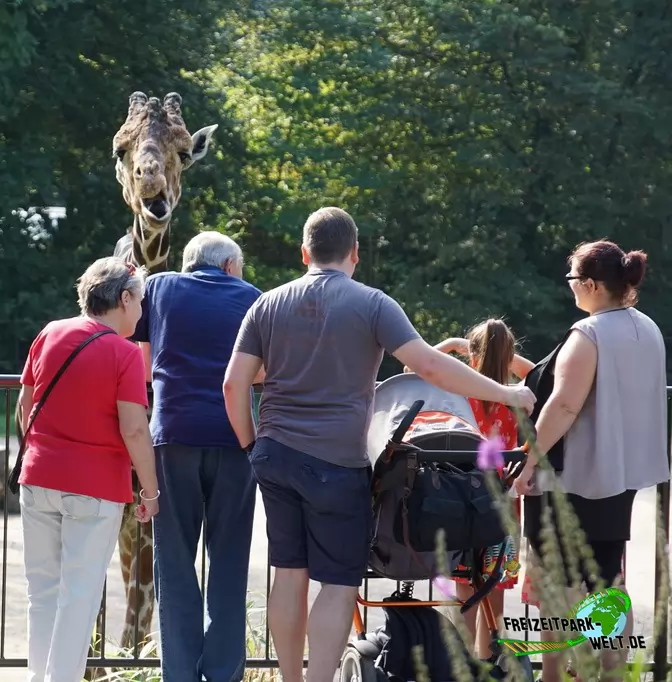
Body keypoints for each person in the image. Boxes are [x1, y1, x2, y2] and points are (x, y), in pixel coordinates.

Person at [222, 207, 536, 682]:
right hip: (335, 462)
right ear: (355, 254)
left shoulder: (266, 304)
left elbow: (233, 385)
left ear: (304, 252)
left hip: (275, 455)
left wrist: (251, 447)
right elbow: (428, 367)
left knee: (288, 573)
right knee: (339, 582)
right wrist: (508, 393)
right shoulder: (373, 304)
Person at [512, 240, 669, 682]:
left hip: (572, 478)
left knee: (558, 587)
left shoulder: (589, 334)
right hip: (620, 478)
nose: (571, 290)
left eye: (573, 281)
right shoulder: (649, 329)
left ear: (592, 285)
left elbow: (562, 407)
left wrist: (527, 464)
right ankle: (615, 674)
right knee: (607, 584)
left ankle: (554, 676)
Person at [16, 256, 161, 682]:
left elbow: (24, 408)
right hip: (95, 489)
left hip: (37, 478)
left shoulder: (50, 332)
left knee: (41, 593)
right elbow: (134, 430)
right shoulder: (124, 353)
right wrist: (149, 493)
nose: (142, 311)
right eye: (140, 302)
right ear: (124, 297)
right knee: (78, 599)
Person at [129, 231, 262, 682]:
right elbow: (261, 372)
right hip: (235, 438)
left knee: (176, 564)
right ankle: (223, 674)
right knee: (228, 561)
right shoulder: (254, 298)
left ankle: (180, 674)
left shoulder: (159, 288)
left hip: (172, 436)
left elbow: (144, 366)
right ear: (229, 266)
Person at [423, 321, 535, 659]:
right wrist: (504, 354)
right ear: (510, 355)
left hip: (457, 497)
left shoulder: (457, 390)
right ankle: (489, 658)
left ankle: (461, 661)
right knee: (493, 585)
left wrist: (456, 345)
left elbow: (411, 364)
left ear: (472, 354)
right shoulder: (519, 397)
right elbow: (540, 373)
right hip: (500, 501)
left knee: (463, 586)